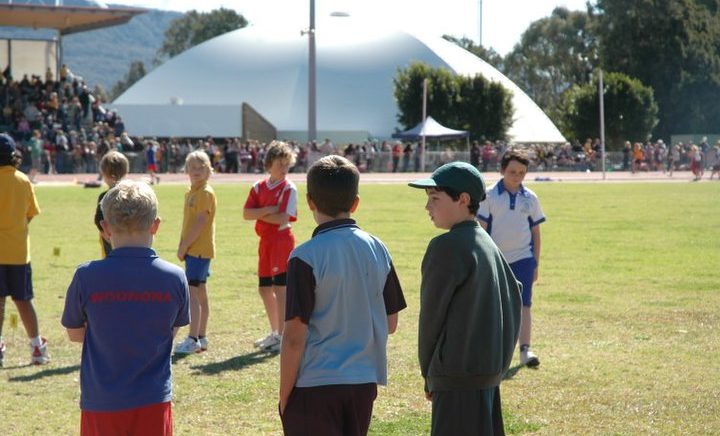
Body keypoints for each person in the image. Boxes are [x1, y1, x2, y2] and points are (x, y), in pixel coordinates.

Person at [279, 155, 406, 436]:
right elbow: (392, 322)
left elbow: (293, 338)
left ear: (310, 202)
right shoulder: (378, 248)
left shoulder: (304, 256)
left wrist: (284, 396)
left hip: (315, 385)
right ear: (355, 202)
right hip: (363, 384)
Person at [62, 180, 190, 436]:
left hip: (102, 401)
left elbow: (75, 333)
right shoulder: (175, 277)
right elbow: (171, 331)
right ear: (155, 225)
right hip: (153, 399)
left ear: (105, 228)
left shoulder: (86, 276)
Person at [408, 161, 521, 436]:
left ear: (463, 200)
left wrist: (429, 375)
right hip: (486, 376)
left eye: (435, 198)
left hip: (456, 378)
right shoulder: (487, 242)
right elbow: (515, 296)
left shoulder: (446, 246)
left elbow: (431, 319)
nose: (428, 207)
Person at [477, 150, 545, 368]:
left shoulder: (531, 198)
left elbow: (535, 232)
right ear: (502, 170)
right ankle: (494, 349)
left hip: (524, 259)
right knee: (495, 305)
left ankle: (526, 349)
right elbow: (482, 230)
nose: (517, 176)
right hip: (497, 260)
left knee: (524, 304)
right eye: (513, 171)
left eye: (522, 173)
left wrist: (536, 262)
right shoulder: (488, 196)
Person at [243, 141, 298, 353]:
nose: (284, 169)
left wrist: (261, 213)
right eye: (280, 164)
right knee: (264, 288)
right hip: (265, 242)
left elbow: (283, 217)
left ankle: (283, 335)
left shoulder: (289, 188)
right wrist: (267, 210)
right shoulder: (258, 187)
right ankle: (275, 332)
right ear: (269, 164)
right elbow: (246, 214)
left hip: (282, 241)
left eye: (287, 164)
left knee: (280, 288)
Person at [0, 133, 50, 367]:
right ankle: (37, 346)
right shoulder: (23, 181)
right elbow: (30, 214)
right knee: (23, 300)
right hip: (19, 253)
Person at [174, 151, 217, 354]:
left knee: (192, 293)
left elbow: (200, 222)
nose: (197, 171)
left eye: (201, 167)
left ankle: (192, 338)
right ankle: (201, 336)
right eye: (193, 167)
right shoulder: (191, 191)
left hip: (199, 250)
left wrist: (184, 246)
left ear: (209, 170)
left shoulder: (205, 193)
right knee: (200, 291)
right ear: (187, 171)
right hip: (195, 250)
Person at [94, 151, 129, 258]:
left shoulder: (104, 197)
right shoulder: (132, 194)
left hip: (110, 242)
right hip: (130, 242)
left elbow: (98, 220)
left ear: (104, 173)